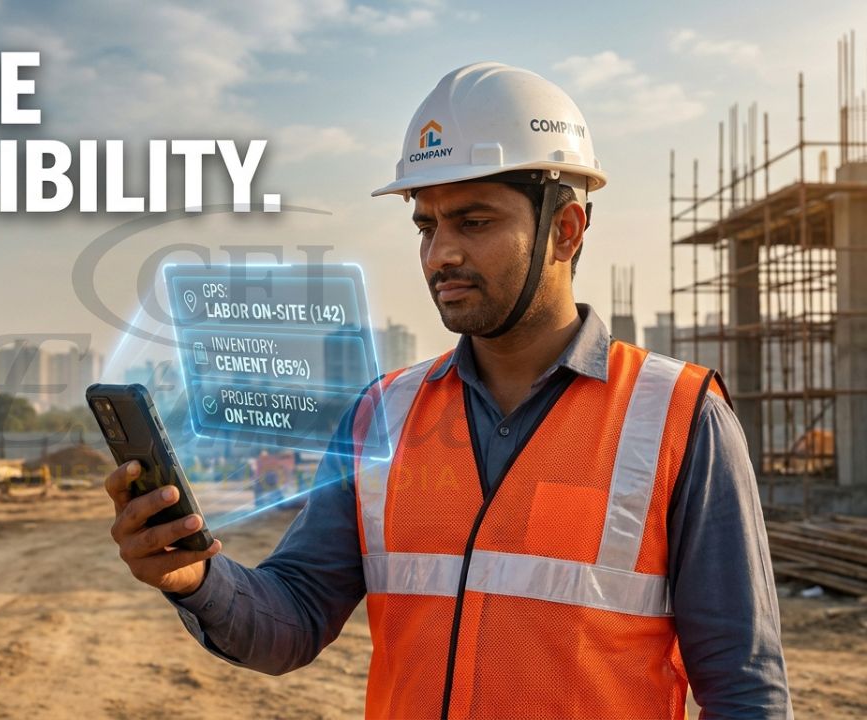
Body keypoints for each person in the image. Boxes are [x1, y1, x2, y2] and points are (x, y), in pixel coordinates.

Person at [104, 62, 792, 719]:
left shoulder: (678, 418)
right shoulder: (384, 415)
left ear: (565, 230)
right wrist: (197, 577)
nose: (441, 255)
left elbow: (745, 691)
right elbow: (295, 617)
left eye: (474, 222)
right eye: (427, 226)